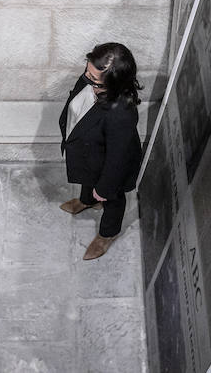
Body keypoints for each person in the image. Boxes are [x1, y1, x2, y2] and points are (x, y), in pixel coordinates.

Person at [58, 41, 143, 260]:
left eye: (93, 78)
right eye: (87, 72)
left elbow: (117, 160)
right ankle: (87, 200)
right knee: (88, 177)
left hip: (109, 166)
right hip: (91, 155)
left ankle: (108, 234)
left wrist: (104, 189)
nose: (87, 78)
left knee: (112, 199)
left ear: (114, 84)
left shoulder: (121, 114)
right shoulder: (93, 76)